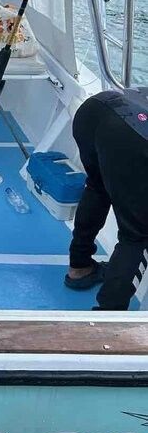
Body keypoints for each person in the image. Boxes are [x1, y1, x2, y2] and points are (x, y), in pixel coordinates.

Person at [64, 88, 148, 310]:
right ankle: (108, 315)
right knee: (137, 236)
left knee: (98, 186)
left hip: (97, 108)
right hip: (132, 132)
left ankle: (79, 266)